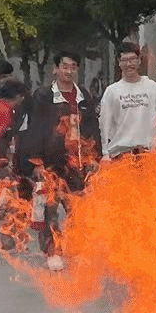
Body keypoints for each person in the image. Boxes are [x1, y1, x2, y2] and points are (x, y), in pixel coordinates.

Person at [17, 51, 101, 271]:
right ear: (55, 69)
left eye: (73, 67)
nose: (69, 71)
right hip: (51, 164)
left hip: (78, 164)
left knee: (78, 210)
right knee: (51, 209)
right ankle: (52, 251)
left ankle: (75, 248)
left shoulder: (83, 96)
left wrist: (94, 157)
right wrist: (37, 162)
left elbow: (92, 129)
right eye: (65, 66)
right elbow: (34, 130)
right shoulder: (43, 96)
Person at [98, 41, 156, 158]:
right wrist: (105, 153)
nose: (129, 64)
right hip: (121, 157)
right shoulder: (112, 91)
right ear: (119, 62)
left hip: (150, 156)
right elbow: (104, 125)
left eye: (132, 59)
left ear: (139, 60)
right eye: (124, 60)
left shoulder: (153, 88)